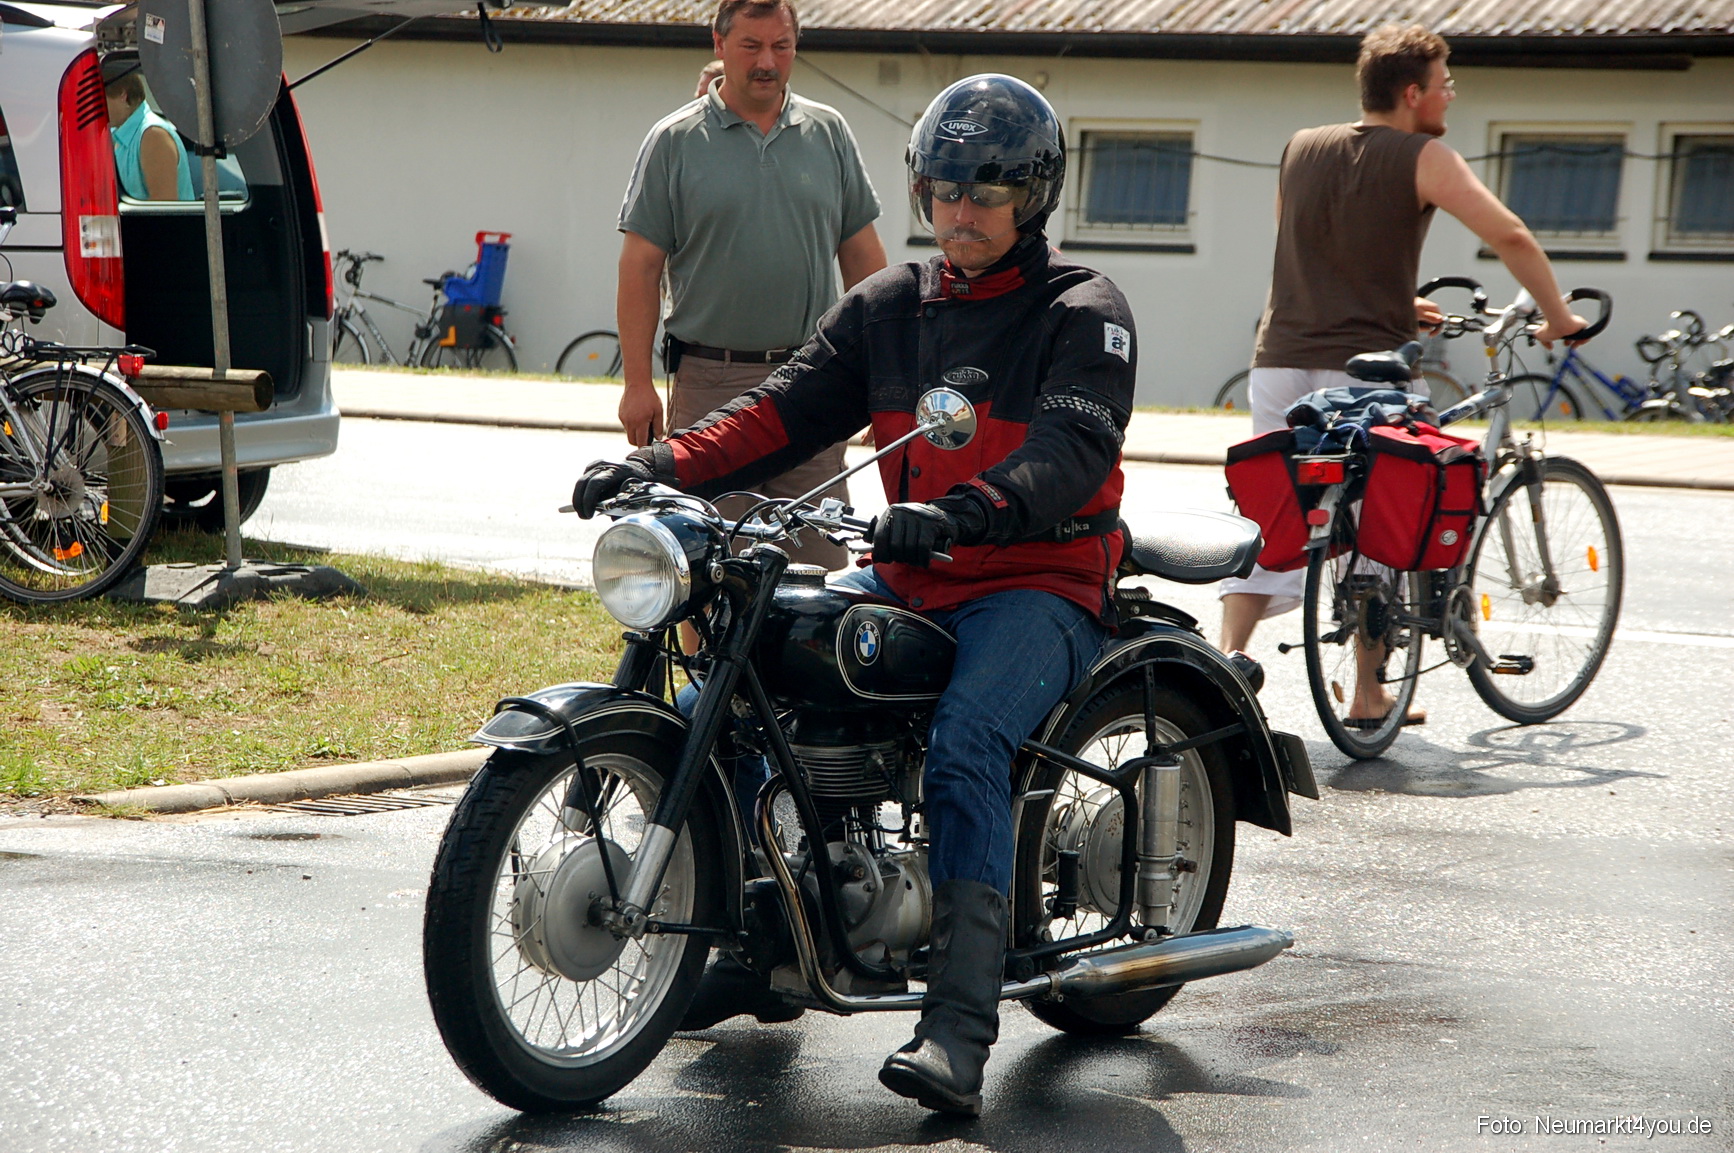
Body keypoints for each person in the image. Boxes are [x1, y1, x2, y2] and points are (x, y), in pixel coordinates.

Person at [575, 74, 1135, 1117]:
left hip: (1039, 580)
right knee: (729, 696)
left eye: (984, 193)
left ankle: (960, 1026)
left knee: (970, 739)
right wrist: (659, 463)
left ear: (1033, 197)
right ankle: (755, 937)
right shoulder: (889, 307)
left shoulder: (1081, 312)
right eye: (942, 189)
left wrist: (970, 509)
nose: (959, 213)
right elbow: (776, 412)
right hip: (909, 575)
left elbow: (1069, 451)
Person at [1219, 22, 1590, 724]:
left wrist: (1394, 295)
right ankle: (1367, 692)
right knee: (1380, 522)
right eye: (1446, 83)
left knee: (1276, 515)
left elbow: (1304, 243)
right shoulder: (1425, 155)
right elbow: (1509, 234)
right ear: (1413, 93)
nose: (1451, 94)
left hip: (1280, 363)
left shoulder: (1300, 147)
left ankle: (1226, 669)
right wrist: (1557, 315)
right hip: (1367, 371)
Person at [615, 0, 887, 570]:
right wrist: (636, 383)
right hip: (712, 384)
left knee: (817, 570)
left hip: (813, 383)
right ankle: (709, 668)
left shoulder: (829, 132)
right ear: (719, 44)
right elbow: (639, 267)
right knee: (704, 565)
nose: (768, 62)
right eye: (751, 46)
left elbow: (865, 261)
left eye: (781, 47)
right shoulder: (675, 140)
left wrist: (887, 383)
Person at [102, 61, 193, 202]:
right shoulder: (117, 135)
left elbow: (164, 205)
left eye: (101, 99)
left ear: (122, 95)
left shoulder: (153, 134)